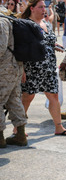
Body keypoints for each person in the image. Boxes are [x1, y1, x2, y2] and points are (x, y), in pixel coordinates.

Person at [20, 0, 66, 136]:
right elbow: (21, 48)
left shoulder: (46, 24)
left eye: (44, 6)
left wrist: (55, 46)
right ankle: (18, 128)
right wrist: (22, 69)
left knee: (54, 96)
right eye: (40, 7)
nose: (44, 10)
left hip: (49, 67)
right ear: (32, 8)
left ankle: (59, 127)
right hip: (32, 67)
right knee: (27, 97)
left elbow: (46, 42)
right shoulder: (26, 25)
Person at [0, 15, 28, 148]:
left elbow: (0, 47)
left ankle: (0, 137)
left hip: (5, 68)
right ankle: (20, 135)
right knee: (14, 99)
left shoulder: (1, 21)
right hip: (15, 66)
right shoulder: (8, 17)